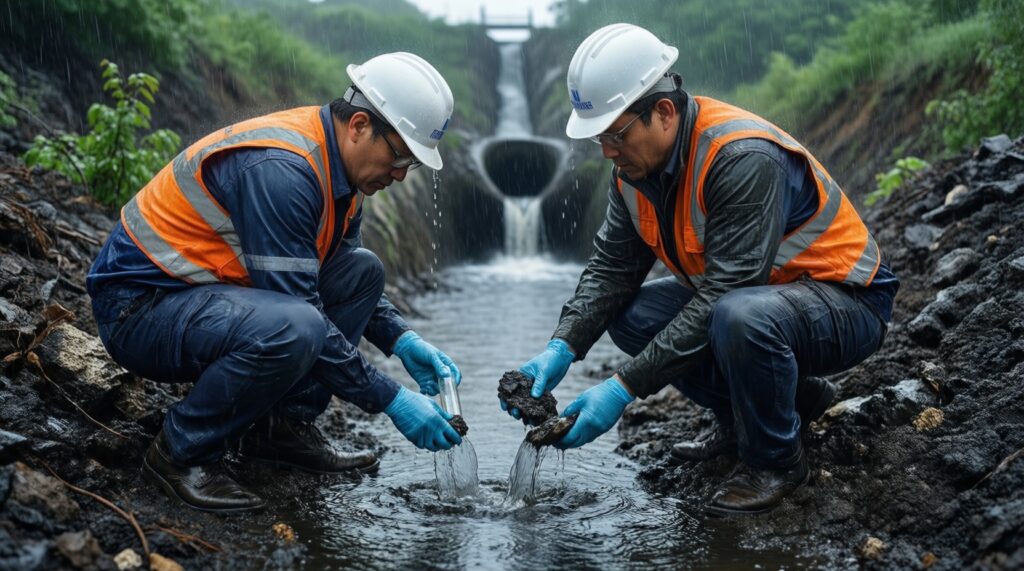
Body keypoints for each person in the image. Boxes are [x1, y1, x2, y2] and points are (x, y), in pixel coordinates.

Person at [500, 24, 899, 516]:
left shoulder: (740, 157)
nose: (606, 150)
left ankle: (775, 461)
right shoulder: (633, 171)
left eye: (615, 134)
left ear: (663, 112)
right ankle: (769, 408)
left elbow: (730, 290)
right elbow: (612, 270)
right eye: (598, 137)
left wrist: (622, 389)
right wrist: (561, 346)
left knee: (741, 316)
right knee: (630, 315)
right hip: (757, 304)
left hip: (846, 303)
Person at [88, 52, 465, 513]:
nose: (402, 174)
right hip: (139, 309)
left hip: (197, 297)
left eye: (413, 163)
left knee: (363, 271)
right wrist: (392, 400)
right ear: (360, 125)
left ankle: (281, 431)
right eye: (400, 155)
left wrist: (404, 340)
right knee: (296, 326)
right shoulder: (283, 171)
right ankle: (180, 452)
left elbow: (339, 271)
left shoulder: (341, 173)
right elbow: (301, 309)